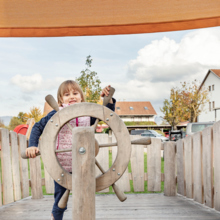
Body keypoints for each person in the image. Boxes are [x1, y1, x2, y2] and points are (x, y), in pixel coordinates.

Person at [26, 80, 116, 220]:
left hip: (83, 165)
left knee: (85, 198)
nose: (72, 96)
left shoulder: (88, 115)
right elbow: (38, 127)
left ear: (81, 96)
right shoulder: (57, 114)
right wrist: (32, 145)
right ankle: (55, 217)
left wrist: (108, 98)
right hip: (62, 166)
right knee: (60, 201)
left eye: (75, 93)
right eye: (67, 94)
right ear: (61, 100)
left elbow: (107, 114)